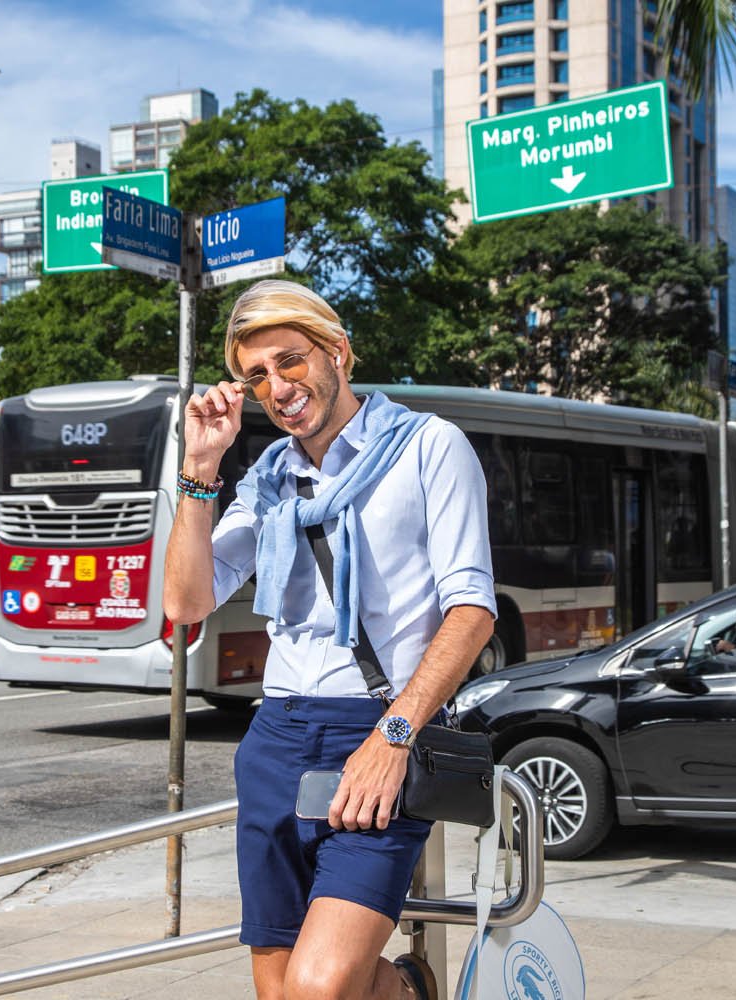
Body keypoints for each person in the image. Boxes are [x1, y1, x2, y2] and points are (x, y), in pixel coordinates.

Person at [163, 280, 496, 1000]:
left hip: (379, 734)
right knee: (280, 994)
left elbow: (472, 611)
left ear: (338, 352)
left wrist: (394, 735)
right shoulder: (269, 480)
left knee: (318, 988)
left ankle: (408, 989)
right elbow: (186, 601)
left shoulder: (428, 447)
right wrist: (199, 471)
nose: (278, 387)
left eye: (291, 360)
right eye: (258, 375)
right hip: (277, 736)